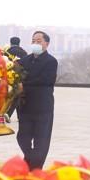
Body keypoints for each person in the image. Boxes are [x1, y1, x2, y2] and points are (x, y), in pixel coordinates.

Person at [16, 31, 58, 170]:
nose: (35, 43)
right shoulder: (23, 61)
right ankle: (30, 159)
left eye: (39, 41)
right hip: (25, 106)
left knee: (41, 140)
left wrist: (24, 84)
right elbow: (16, 78)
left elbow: (46, 80)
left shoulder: (51, 61)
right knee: (22, 137)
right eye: (33, 41)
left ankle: (35, 168)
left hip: (43, 107)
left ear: (47, 43)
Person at [4, 36, 27, 121]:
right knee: (18, 95)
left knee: (13, 95)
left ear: (10, 43)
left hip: (9, 75)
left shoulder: (7, 52)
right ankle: (16, 115)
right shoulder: (23, 52)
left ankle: (8, 113)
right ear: (19, 43)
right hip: (20, 76)